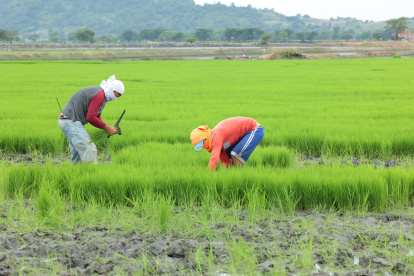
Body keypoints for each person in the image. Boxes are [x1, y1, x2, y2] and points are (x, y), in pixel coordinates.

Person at [58, 75, 124, 164]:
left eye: (118, 96)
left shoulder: (102, 96)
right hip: (71, 121)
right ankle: (92, 172)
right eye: (115, 95)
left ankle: (79, 174)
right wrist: (107, 127)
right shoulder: (99, 95)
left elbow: (97, 117)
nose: (115, 98)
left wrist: (108, 128)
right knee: (89, 148)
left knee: (78, 153)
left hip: (68, 121)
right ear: (111, 89)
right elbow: (90, 117)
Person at [190, 117, 264, 170]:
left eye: (201, 144)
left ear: (204, 139)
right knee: (229, 157)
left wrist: (208, 175)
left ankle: (238, 177)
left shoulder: (216, 137)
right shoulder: (214, 140)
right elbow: (224, 158)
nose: (203, 147)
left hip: (255, 129)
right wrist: (226, 171)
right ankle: (233, 176)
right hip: (244, 133)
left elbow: (214, 159)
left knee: (235, 154)